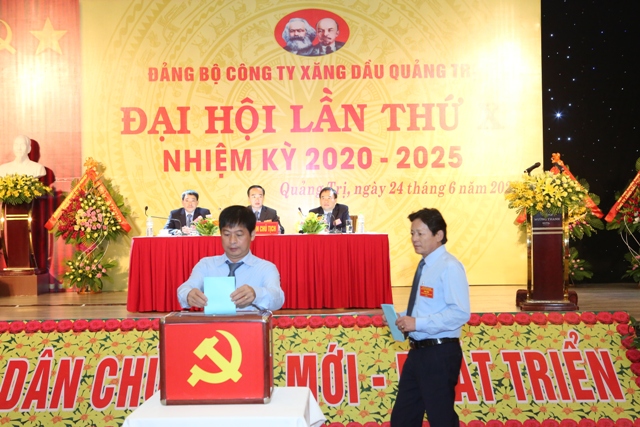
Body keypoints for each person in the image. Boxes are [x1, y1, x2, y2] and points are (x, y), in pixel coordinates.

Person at [391, 208, 470, 427]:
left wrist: (417, 323)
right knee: (403, 419)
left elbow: (460, 313)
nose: (414, 239)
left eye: (420, 233)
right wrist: (402, 318)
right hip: (418, 352)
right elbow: (426, 308)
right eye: (412, 233)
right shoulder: (425, 266)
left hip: (440, 353)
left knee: (441, 419)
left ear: (439, 235)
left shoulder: (449, 266)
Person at [176, 205, 285, 311]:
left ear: (252, 235)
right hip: (214, 323)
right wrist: (188, 294)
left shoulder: (266, 268)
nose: (232, 241)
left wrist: (256, 294)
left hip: (251, 323)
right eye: (227, 234)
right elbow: (185, 288)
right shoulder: (206, 265)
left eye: (239, 234)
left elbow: (278, 299)